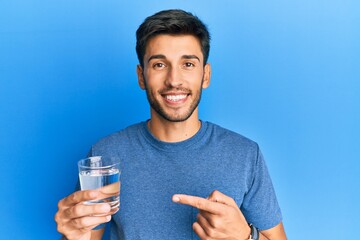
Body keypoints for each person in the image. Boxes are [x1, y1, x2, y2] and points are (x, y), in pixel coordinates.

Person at [55, 9, 287, 240]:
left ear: (205, 75)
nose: (174, 80)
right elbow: (84, 235)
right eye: (159, 65)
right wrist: (71, 237)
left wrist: (246, 237)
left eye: (187, 64)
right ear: (140, 76)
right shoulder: (105, 155)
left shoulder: (245, 154)